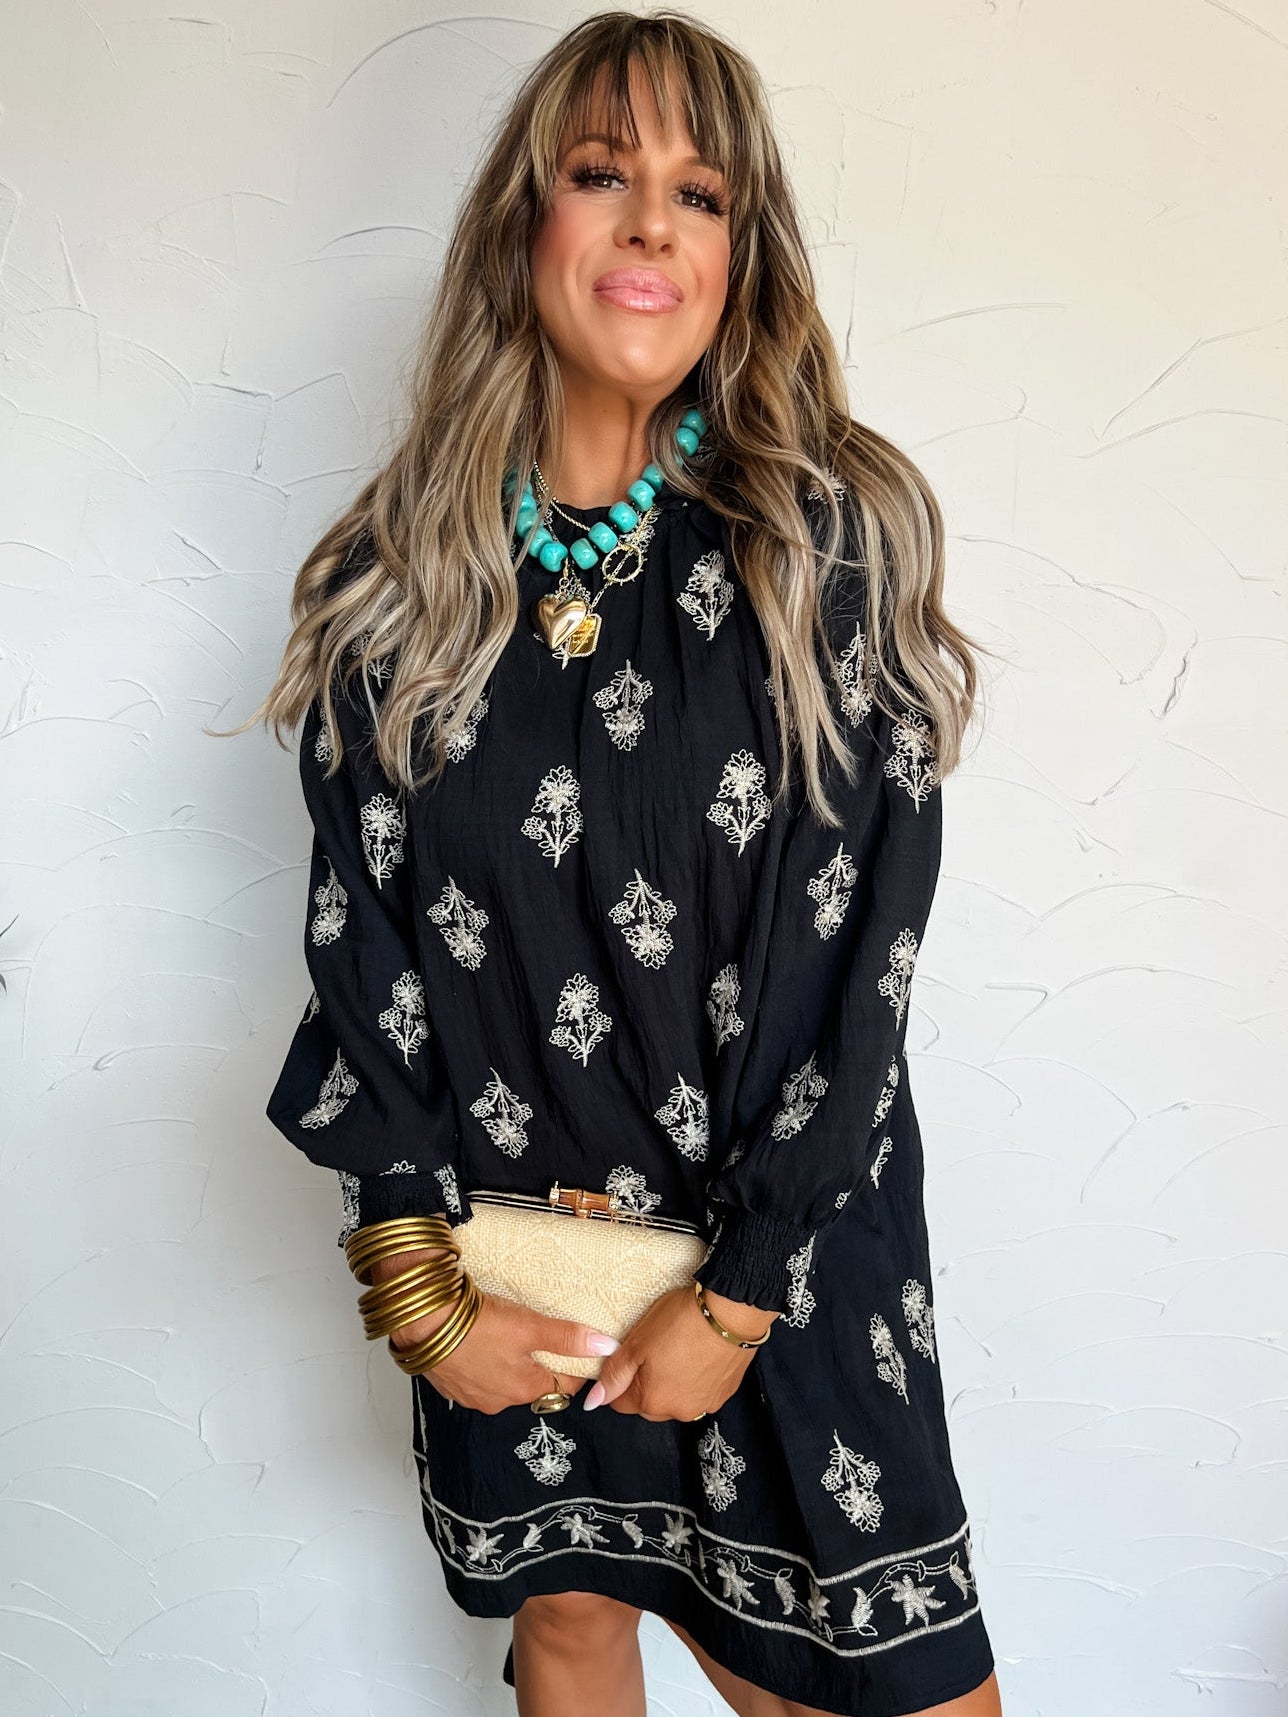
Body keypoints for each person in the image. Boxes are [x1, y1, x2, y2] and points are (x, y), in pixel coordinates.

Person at [224, 10, 1003, 1714]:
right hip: (513, 1271)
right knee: (570, 1622)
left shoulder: (825, 539)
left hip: (788, 1267)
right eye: (603, 175)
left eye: (700, 192)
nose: (653, 222)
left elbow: (861, 958)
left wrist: (733, 1304)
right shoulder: (394, 585)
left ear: (742, 255)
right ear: (530, 229)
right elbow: (364, 964)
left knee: (874, 1687)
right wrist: (423, 1294)